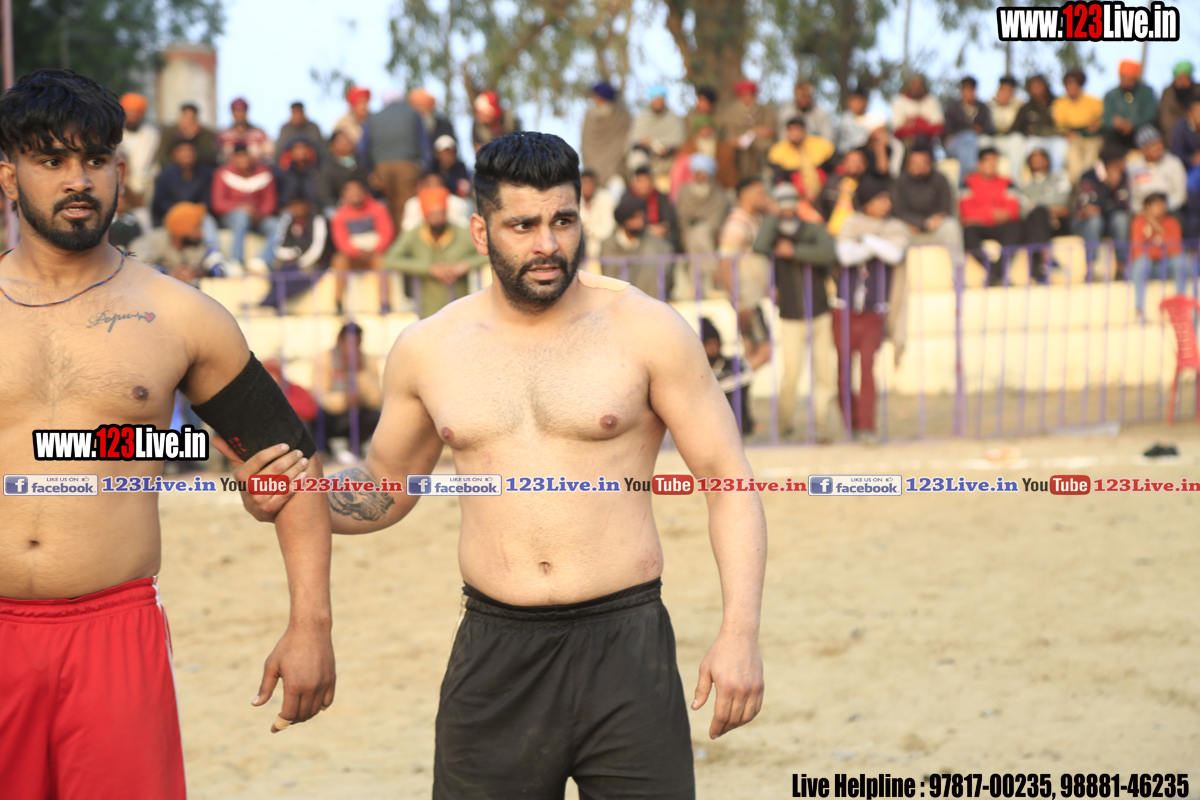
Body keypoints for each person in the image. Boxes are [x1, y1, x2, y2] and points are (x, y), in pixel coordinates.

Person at [232, 133, 766, 798]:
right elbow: (385, 489)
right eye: (523, 226)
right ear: (481, 232)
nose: (548, 244)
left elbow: (728, 482)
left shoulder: (647, 330)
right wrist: (293, 495)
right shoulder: (430, 348)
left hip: (626, 644)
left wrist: (739, 632)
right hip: (496, 648)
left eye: (563, 221)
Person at [0, 69, 335, 799]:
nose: (78, 179)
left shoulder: (180, 314)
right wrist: (197, 452)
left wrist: (311, 626)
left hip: (113, 632)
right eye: (51, 160)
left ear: (120, 173)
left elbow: (293, 466)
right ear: (8, 176)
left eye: (95, 159)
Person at [753, 182, 839, 441]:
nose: (787, 206)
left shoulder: (812, 229)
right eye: (782, 202)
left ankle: (821, 425)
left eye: (791, 200)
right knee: (791, 374)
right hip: (791, 314)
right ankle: (785, 425)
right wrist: (773, 219)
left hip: (820, 311)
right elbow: (758, 246)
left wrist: (795, 252)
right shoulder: (772, 233)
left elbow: (828, 252)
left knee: (825, 373)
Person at [834, 179, 911, 441]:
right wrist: (874, 243)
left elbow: (894, 254)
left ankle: (867, 426)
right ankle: (851, 425)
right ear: (867, 204)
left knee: (868, 369)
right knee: (843, 371)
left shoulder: (894, 227)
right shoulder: (851, 224)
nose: (886, 204)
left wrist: (866, 240)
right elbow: (845, 256)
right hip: (845, 311)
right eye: (880, 199)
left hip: (873, 312)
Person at [386, 185, 488, 317]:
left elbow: (488, 254)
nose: (437, 218)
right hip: (427, 310)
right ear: (425, 215)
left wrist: (463, 266)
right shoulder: (413, 236)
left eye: (441, 213)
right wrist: (429, 269)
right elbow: (390, 260)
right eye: (433, 214)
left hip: (460, 308)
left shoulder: (462, 233)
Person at [313, 322, 383, 460]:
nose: (352, 348)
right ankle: (324, 451)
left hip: (358, 412)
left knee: (374, 416)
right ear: (339, 340)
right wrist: (343, 400)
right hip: (333, 414)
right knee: (317, 415)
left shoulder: (367, 361)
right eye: (348, 343)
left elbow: (377, 398)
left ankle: (354, 449)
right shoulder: (324, 358)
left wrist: (359, 372)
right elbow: (319, 395)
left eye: (356, 344)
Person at [329, 179, 396, 313]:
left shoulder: (379, 208)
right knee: (339, 260)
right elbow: (340, 240)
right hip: (353, 257)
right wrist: (357, 252)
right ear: (344, 195)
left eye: (357, 190)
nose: (354, 194)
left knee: (382, 261)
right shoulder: (339, 214)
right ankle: (338, 303)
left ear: (364, 192)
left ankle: (385, 303)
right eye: (350, 191)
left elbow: (387, 233)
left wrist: (373, 250)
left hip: (374, 254)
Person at [959, 147, 1023, 285]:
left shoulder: (1008, 182)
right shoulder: (967, 182)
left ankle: (993, 273)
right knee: (968, 233)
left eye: (994, 161)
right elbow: (966, 213)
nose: (991, 165)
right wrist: (993, 213)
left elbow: (1013, 211)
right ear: (979, 164)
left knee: (1015, 230)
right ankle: (996, 272)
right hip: (978, 227)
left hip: (1000, 226)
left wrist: (980, 213)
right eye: (987, 161)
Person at [363, 93, 427, 230]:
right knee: (408, 205)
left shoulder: (373, 118)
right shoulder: (412, 114)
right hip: (408, 165)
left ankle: (397, 238)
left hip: (382, 168)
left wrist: (370, 171)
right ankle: (407, 237)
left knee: (390, 206)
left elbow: (364, 147)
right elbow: (424, 143)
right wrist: (426, 171)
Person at [210, 143, 279, 268]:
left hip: (258, 218)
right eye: (238, 156)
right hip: (232, 217)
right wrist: (240, 207)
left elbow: (270, 202)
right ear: (233, 158)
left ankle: (262, 261)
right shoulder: (223, 173)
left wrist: (258, 214)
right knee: (241, 216)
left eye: (245, 156)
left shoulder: (264, 173)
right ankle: (236, 261)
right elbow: (218, 204)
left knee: (278, 225)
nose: (242, 160)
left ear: (251, 157)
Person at [599, 192, 675, 299]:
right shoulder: (609, 246)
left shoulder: (658, 246)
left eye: (641, 216)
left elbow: (666, 278)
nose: (639, 221)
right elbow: (609, 279)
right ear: (624, 220)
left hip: (650, 303)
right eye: (634, 217)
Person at [262, 192, 330, 310]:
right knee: (278, 272)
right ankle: (270, 303)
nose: (298, 209)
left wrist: (301, 261)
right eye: (294, 205)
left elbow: (317, 247)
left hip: (312, 263)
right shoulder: (288, 219)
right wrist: (290, 254)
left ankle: (270, 303)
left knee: (296, 277)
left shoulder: (317, 219)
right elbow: (279, 244)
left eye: (300, 205)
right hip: (291, 261)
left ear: (307, 205)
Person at [891, 145, 962, 255]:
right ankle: (899, 266)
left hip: (935, 228)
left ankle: (957, 265)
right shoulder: (900, 182)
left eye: (923, 162)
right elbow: (899, 211)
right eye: (915, 163)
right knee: (894, 226)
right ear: (908, 164)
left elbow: (946, 208)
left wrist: (932, 223)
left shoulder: (940, 179)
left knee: (951, 225)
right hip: (910, 228)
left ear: (930, 163)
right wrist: (922, 223)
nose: (919, 166)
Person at [676, 153, 731, 295]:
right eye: (698, 173)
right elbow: (683, 215)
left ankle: (706, 283)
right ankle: (704, 284)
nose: (701, 176)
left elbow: (717, 217)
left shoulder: (719, 194)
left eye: (704, 173)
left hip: (709, 234)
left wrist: (705, 228)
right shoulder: (685, 191)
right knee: (696, 236)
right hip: (689, 233)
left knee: (701, 233)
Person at [1074, 143, 1133, 274]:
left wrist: (1112, 188)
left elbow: (1123, 206)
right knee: (1095, 221)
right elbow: (1086, 209)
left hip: (1111, 221)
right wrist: (1107, 187)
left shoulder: (1123, 176)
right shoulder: (1089, 176)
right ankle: (1091, 268)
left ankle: (1121, 267)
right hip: (1085, 223)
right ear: (1110, 163)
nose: (1124, 164)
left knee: (1121, 219)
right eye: (1121, 161)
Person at [1130, 192, 1187, 321]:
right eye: (1157, 204)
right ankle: (1139, 311)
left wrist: (1156, 227)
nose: (1162, 207)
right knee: (1141, 263)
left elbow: (1175, 249)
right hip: (1147, 266)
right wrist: (1161, 245)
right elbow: (1138, 251)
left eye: (1163, 204)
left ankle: (1181, 308)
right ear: (1147, 207)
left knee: (1181, 262)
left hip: (1167, 265)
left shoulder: (1172, 222)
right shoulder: (1138, 222)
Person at [1018, 148, 1073, 280]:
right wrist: (1047, 209)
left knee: (1038, 212)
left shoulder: (1059, 179)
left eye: (1040, 159)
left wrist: (1041, 208)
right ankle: (1046, 258)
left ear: (1047, 161)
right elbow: (1023, 212)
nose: (1037, 162)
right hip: (1038, 225)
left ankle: (1037, 267)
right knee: (1036, 217)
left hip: (1059, 224)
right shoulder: (1025, 187)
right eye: (1033, 160)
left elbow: (1064, 205)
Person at [699, 317, 755, 435]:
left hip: (738, 425)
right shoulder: (697, 369)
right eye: (708, 344)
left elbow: (747, 377)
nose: (712, 348)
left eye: (715, 343)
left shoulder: (733, 363)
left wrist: (711, 387)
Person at [150, 139, 214, 234]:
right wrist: (181, 211)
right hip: (172, 213)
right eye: (182, 151)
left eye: (189, 151)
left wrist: (193, 212)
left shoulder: (204, 174)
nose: (186, 154)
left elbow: (206, 201)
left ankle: (210, 244)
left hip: (196, 214)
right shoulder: (165, 174)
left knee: (208, 222)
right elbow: (159, 202)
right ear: (174, 154)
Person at [718, 80, 777, 180]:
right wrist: (738, 140)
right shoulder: (731, 113)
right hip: (739, 155)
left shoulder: (764, 110)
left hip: (760, 152)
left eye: (751, 95)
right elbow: (728, 136)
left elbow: (770, 131)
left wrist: (755, 132)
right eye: (744, 95)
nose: (748, 98)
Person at [1054, 69, 1105, 185]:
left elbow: (1102, 120)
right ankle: (1081, 183)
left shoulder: (1094, 101)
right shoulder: (1060, 103)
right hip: (1073, 138)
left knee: (1092, 152)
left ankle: (1087, 182)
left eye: (1073, 84)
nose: (1070, 87)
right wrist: (1067, 132)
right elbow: (1060, 126)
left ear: (1080, 85)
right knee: (1072, 154)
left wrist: (1096, 125)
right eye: (1068, 84)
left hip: (1092, 138)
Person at [628, 84, 687, 183]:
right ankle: (641, 184)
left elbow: (680, 143)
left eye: (661, 100)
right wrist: (643, 144)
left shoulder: (674, 119)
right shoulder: (641, 119)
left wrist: (668, 150)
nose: (658, 103)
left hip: (668, 160)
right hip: (648, 159)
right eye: (656, 100)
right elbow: (633, 143)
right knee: (636, 158)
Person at [577, 80, 630, 190]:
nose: (596, 101)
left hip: (616, 171)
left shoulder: (622, 118)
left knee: (617, 186)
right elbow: (585, 145)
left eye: (599, 98)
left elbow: (625, 145)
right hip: (591, 172)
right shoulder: (589, 118)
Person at [767, 116, 835, 201]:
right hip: (795, 195)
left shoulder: (821, 145)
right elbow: (779, 179)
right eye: (791, 130)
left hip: (823, 190)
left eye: (798, 130)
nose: (794, 134)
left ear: (804, 131)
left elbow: (834, 169)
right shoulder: (777, 151)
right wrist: (802, 189)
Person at [116, 92, 159, 222]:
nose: (133, 116)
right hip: (118, 182)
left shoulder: (151, 134)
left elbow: (153, 162)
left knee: (142, 218)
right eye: (130, 112)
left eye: (136, 112)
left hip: (143, 186)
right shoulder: (115, 132)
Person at [1012, 74, 1066, 177]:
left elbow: (1064, 124)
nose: (1035, 90)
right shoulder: (1026, 108)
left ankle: (1056, 179)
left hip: (1054, 139)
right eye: (1032, 88)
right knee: (1028, 147)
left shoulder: (1058, 103)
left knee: (1060, 146)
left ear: (1045, 86)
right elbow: (1015, 129)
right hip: (1034, 139)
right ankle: (1029, 180)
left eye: (1038, 87)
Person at [1126, 125, 1187, 215]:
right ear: (1143, 150)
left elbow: (1180, 195)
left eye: (1159, 143)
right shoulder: (1134, 167)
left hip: (1170, 211)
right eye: (1152, 145)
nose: (1158, 147)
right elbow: (1134, 198)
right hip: (1143, 213)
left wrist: (1161, 209)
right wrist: (1146, 212)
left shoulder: (1174, 163)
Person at [943, 76, 994, 183]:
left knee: (967, 150)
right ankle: (969, 179)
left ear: (975, 91)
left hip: (974, 144)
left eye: (971, 89)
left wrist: (977, 131)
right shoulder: (952, 108)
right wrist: (971, 129)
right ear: (961, 91)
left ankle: (964, 185)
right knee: (969, 137)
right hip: (955, 143)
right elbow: (947, 132)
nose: (968, 92)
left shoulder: (983, 108)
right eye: (965, 89)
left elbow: (989, 129)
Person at [672, 114, 739, 194]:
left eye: (708, 128)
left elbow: (730, 175)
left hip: (720, 191)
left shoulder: (724, 149)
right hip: (693, 192)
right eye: (702, 128)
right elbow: (680, 174)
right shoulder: (686, 148)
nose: (706, 131)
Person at [1103, 60, 1158, 151]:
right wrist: (1116, 123)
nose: (1126, 82)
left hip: (1139, 130)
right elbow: (1106, 118)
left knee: (1149, 134)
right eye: (1123, 78)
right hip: (1117, 132)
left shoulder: (1146, 92)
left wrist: (1133, 124)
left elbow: (1151, 115)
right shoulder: (1111, 95)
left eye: (1129, 79)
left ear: (1135, 78)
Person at [817, 147, 869, 237]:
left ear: (863, 165)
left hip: (855, 233)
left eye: (856, 162)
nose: (852, 164)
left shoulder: (868, 186)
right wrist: (822, 223)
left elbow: (868, 213)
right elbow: (820, 203)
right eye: (849, 161)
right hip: (830, 232)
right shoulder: (832, 182)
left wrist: (853, 196)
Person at [624, 164, 679, 249]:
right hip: (637, 238)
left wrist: (656, 229)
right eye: (640, 181)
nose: (643, 185)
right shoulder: (628, 198)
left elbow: (668, 222)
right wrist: (648, 230)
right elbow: (627, 223)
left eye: (645, 181)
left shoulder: (661, 197)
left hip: (659, 238)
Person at [316, 129, 369, 216]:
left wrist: (358, 196)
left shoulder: (361, 163)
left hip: (362, 203)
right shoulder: (327, 168)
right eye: (342, 141)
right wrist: (342, 202)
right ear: (333, 146)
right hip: (339, 206)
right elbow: (324, 196)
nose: (347, 143)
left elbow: (368, 187)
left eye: (348, 140)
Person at [154, 102, 217, 167]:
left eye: (191, 118)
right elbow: (163, 156)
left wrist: (194, 136)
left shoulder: (205, 133)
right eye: (185, 116)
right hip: (173, 168)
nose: (188, 121)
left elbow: (208, 157)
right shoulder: (168, 132)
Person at [986, 75, 1025, 179]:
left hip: (1009, 140)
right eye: (1003, 90)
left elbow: (1019, 127)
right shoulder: (987, 105)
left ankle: (1014, 183)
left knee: (1017, 140)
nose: (1005, 93)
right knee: (981, 141)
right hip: (992, 139)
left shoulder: (1019, 105)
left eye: (1009, 91)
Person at [890, 74, 944, 147]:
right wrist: (925, 123)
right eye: (913, 84)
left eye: (919, 85)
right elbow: (897, 131)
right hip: (905, 144)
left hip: (928, 143)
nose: (916, 87)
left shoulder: (932, 101)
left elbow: (938, 128)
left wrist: (915, 123)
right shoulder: (899, 101)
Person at [215, 97, 272, 164]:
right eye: (237, 111)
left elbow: (268, 156)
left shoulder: (259, 134)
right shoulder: (222, 135)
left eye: (242, 110)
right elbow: (217, 157)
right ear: (232, 112)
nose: (240, 114)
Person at [579, 168, 616, 259]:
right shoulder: (574, 198)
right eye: (584, 183)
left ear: (595, 184)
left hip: (603, 249)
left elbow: (608, 229)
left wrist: (590, 230)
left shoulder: (606, 198)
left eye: (590, 183)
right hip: (581, 249)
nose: (587, 187)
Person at [276, 137, 320, 207]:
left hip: (313, 208)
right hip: (288, 208)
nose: (301, 151)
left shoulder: (316, 172)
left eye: (304, 147)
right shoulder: (283, 173)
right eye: (297, 148)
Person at [1159, 61, 1194, 150]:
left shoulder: (1197, 91)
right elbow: (1165, 119)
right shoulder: (1168, 93)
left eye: (1185, 78)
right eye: (1179, 79)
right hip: (1172, 135)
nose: (1182, 82)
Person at [834, 84, 874, 154]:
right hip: (847, 154)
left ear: (865, 102)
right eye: (853, 99)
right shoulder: (846, 117)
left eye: (859, 100)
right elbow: (857, 142)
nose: (855, 103)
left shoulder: (869, 119)